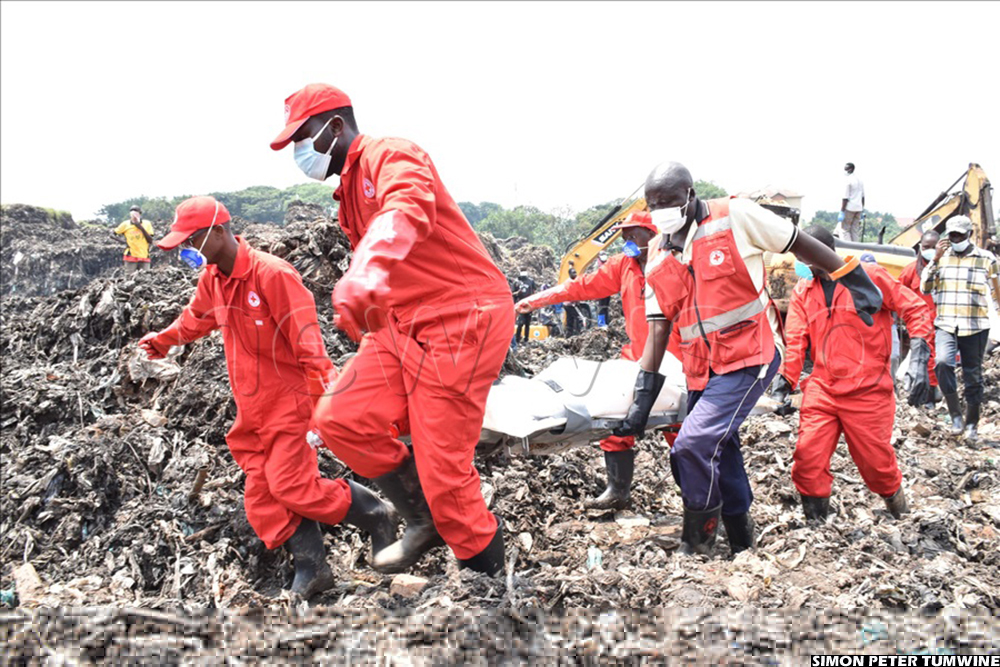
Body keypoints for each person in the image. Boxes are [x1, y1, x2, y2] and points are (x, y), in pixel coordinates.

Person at [270, 84, 514, 576]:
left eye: (304, 137)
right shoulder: (347, 193)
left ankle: (486, 582)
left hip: (460, 318)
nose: (300, 152)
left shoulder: (391, 155)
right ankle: (422, 518)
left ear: (336, 126)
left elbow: (406, 206)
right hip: (400, 327)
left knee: (445, 470)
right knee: (340, 418)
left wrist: (366, 270)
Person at [615, 161, 883, 556]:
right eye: (654, 204)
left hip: (750, 355)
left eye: (669, 201)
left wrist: (850, 274)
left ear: (690, 195)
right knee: (720, 449)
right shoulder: (657, 252)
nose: (662, 210)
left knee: (691, 446)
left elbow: (798, 241)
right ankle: (741, 540)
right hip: (701, 368)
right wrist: (642, 396)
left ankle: (699, 543)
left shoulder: (732, 217)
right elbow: (658, 327)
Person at [137, 196, 397, 599]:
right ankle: (313, 568)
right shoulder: (213, 280)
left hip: (289, 404)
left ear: (218, 233)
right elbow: (196, 319)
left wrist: (322, 411)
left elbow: (311, 349)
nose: (187, 252)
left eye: (191, 242)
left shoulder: (273, 276)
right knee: (263, 497)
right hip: (251, 410)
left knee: (294, 487)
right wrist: (163, 340)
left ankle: (377, 513)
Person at [772, 226, 932, 522]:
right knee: (808, 458)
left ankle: (900, 513)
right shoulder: (803, 292)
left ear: (823, 253)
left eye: (804, 256)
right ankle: (816, 526)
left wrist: (920, 356)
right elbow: (795, 340)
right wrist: (785, 380)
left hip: (868, 389)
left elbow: (915, 309)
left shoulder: (869, 276)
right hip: (823, 387)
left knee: (877, 468)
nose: (801, 264)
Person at [515, 211, 659, 510]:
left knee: (683, 433)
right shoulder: (623, 266)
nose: (627, 241)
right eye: (623, 236)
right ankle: (618, 491)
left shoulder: (672, 261)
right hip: (635, 356)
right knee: (612, 418)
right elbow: (579, 287)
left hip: (675, 357)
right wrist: (538, 300)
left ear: (652, 232)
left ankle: (700, 502)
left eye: (633, 234)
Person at [921, 215, 1000, 442]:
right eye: (951, 235)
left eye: (959, 235)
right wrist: (935, 260)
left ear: (969, 235)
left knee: (972, 375)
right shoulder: (942, 258)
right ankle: (956, 414)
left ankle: (972, 423)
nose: (955, 239)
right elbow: (925, 288)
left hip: (975, 325)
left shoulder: (986, 259)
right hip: (946, 323)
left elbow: (997, 292)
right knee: (943, 362)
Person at [899, 230, 941, 408]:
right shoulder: (911, 270)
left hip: (942, 321)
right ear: (920, 247)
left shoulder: (945, 268)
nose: (929, 250)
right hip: (920, 323)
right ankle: (926, 396)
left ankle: (933, 393)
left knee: (939, 359)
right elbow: (898, 293)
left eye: (933, 247)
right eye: (926, 247)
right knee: (924, 359)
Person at [113, 205, 155, 273]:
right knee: (129, 277)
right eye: (132, 211)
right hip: (131, 256)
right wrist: (124, 242)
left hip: (144, 256)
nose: (134, 213)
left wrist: (140, 227)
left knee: (146, 278)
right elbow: (112, 234)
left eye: (136, 211)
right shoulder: (125, 224)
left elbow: (150, 240)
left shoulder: (147, 224)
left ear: (140, 213)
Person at [838, 162, 866, 242]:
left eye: (846, 169)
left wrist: (842, 211)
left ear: (851, 169)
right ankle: (855, 247)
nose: (845, 171)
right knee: (854, 230)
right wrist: (862, 209)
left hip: (849, 208)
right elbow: (863, 197)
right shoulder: (860, 181)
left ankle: (848, 248)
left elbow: (845, 198)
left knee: (845, 230)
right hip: (859, 208)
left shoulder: (848, 181)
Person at [512, 271, 537, 344]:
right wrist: (518, 293)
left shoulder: (531, 281)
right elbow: (512, 293)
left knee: (527, 323)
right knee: (520, 323)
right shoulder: (516, 282)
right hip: (520, 305)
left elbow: (534, 292)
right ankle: (517, 339)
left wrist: (534, 305)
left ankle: (526, 339)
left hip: (529, 304)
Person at [563, 264, 584, 336]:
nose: (575, 274)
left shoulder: (574, 280)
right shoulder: (569, 282)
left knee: (570, 319)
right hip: (570, 304)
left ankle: (569, 334)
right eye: (573, 273)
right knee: (579, 318)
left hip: (570, 304)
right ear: (569, 274)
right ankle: (580, 333)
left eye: (575, 272)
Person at [596, 252, 612, 327]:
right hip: (601, 289)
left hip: (607, 289)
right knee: (602, 306)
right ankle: (601, 323)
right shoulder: (599, 267)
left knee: (605, 306)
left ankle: (605, 322)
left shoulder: (606, 265)